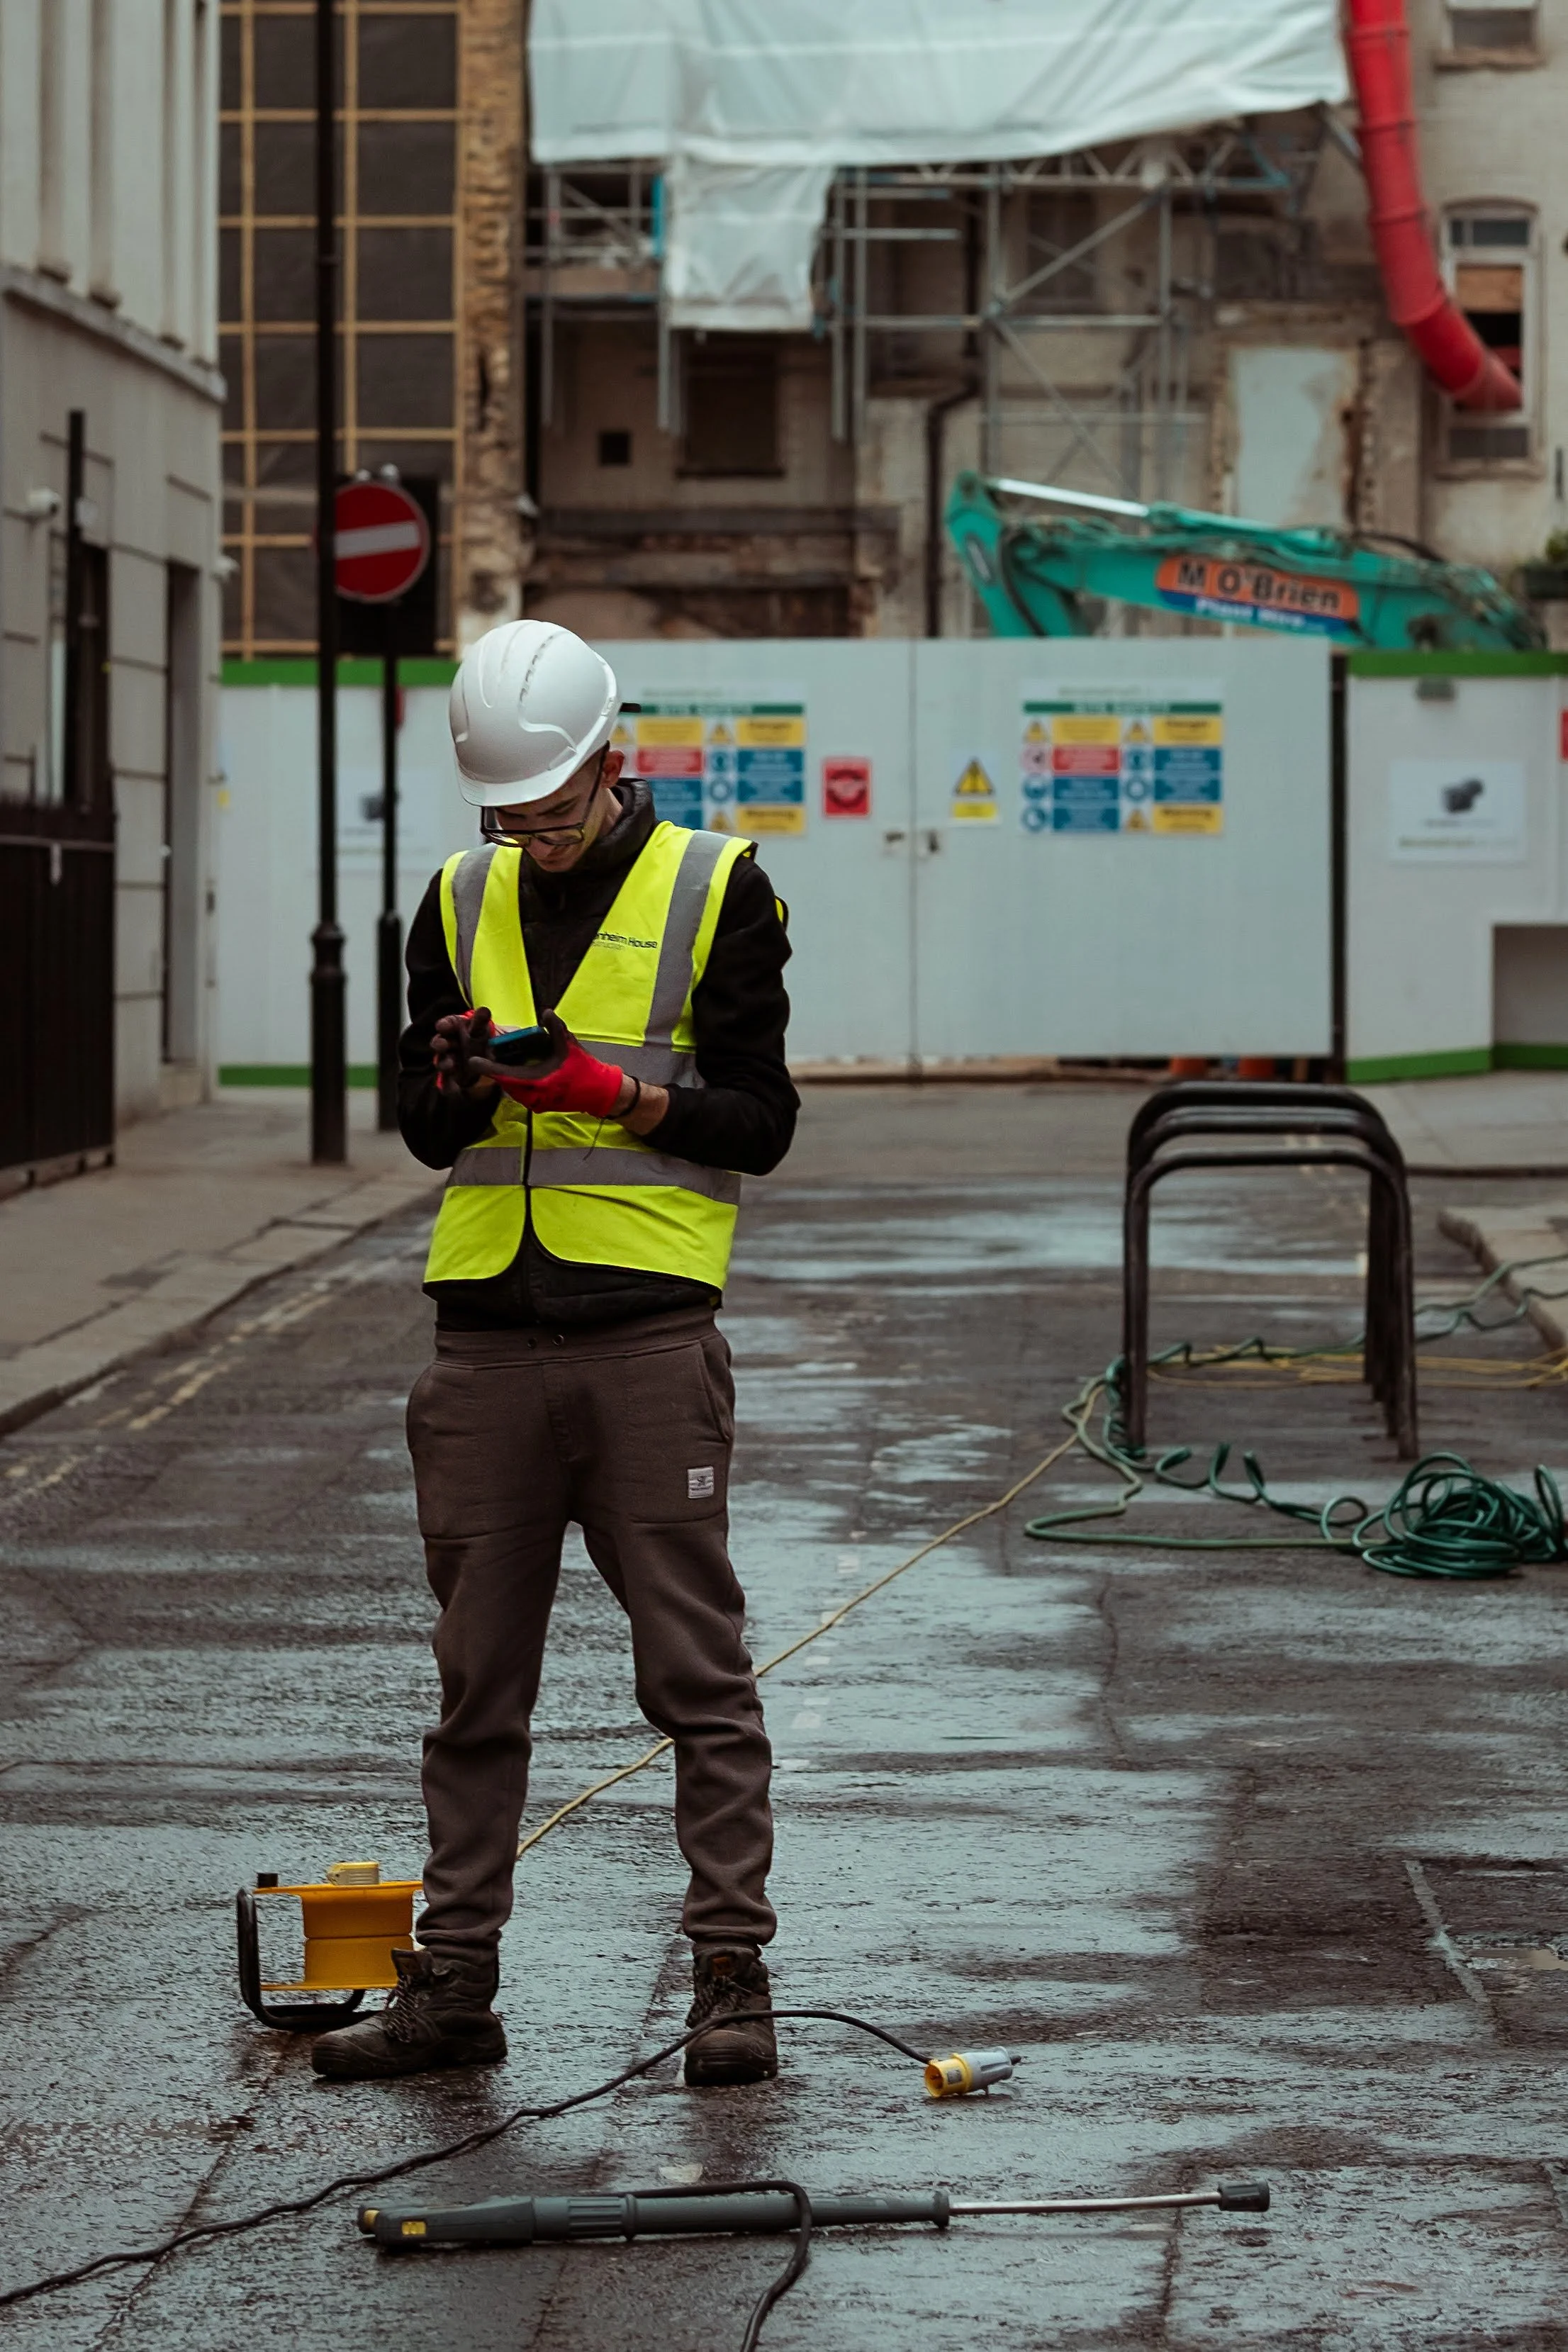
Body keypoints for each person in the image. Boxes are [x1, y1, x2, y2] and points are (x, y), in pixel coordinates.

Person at [312, 620, 797, 2085]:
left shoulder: (719, 886)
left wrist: (618, 1099)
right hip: (481, 1349)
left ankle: (729, 1976)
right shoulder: (455, 897)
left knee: (694, 1679)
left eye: (546, 800)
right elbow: (421, 1127)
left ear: (608, 760)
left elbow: (760, 1123)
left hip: (648, 1339)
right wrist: (457, 1083)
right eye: (502, 807)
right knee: (475, 1690)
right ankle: (453, 1985)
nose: (524, 827)